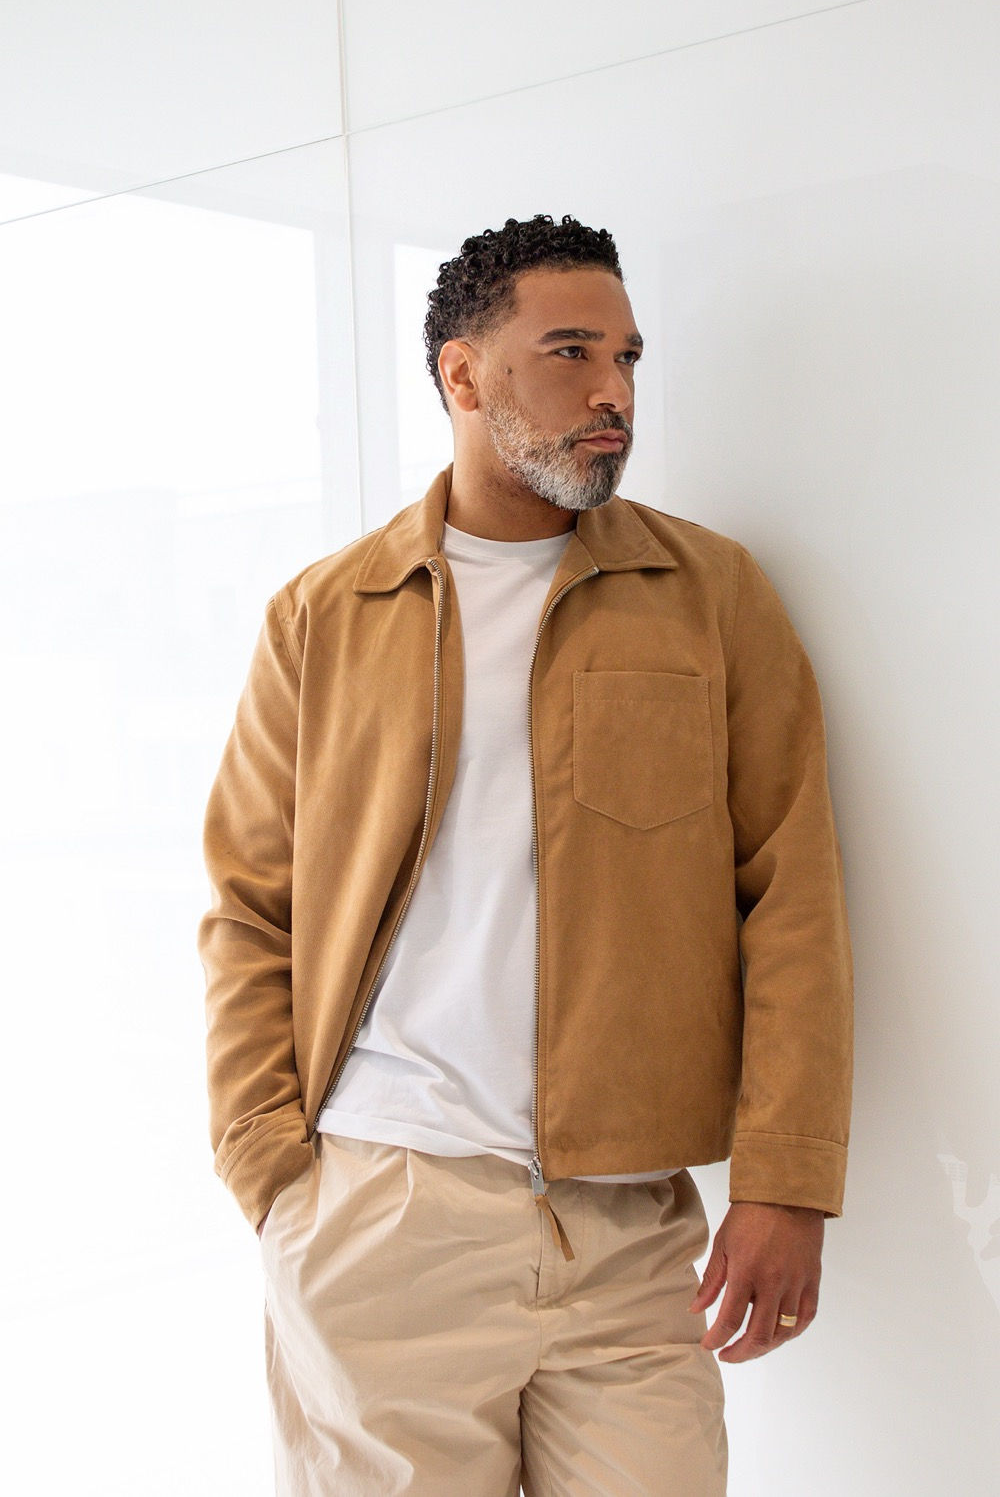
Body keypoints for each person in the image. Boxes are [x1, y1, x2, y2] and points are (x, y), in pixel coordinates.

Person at [198, 212, 854, 1496]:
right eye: (570, 353)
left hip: (629, 1230)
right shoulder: (325, 615)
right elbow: (247, 906)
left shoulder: (709, 595)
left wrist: (787, 1184)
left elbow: (792, 898)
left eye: (627, 357)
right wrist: (269, 1169)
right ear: (463, 374)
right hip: (385, 1214)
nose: (614, 393)